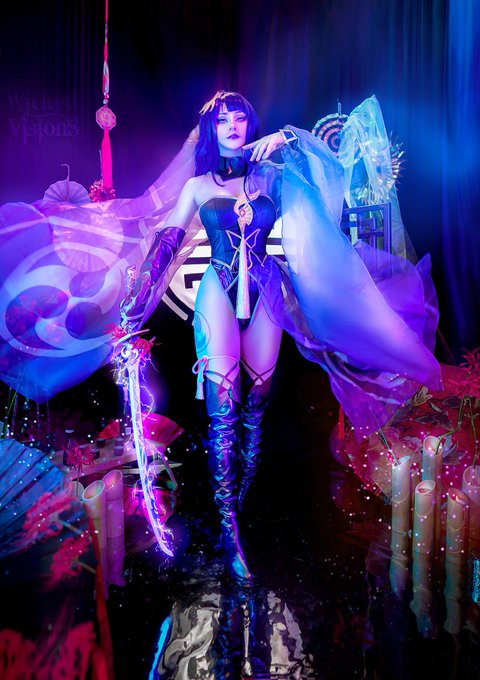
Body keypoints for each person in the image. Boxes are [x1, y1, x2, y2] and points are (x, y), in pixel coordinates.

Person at [118, 91, 442, 582]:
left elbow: (325, 183)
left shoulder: (273, 177)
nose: (232, 126)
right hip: (218, 292)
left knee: (255, 411)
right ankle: (229, 532)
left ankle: (238, 504)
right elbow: (164, 248)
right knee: (222, 414)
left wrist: (289, 141)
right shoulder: (198, 186)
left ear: (250, 125)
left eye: (240, 118)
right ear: (210, 130)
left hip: (266, 291)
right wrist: (133, 307)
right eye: (222, 120)